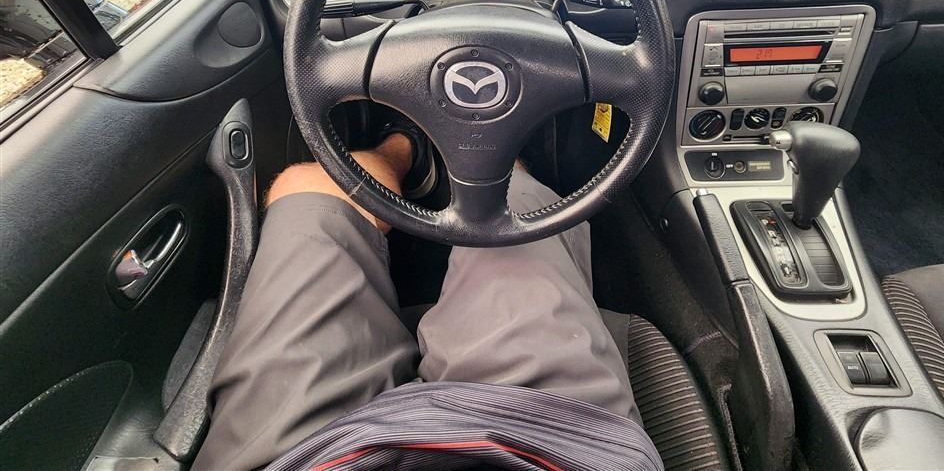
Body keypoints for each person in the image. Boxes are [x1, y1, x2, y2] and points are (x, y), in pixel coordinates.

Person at [194, 130, 663, 471]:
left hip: (314, 458)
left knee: (307, 186)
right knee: (513, 202)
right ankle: (494, 154)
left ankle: (404, 145)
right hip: (539, 441)